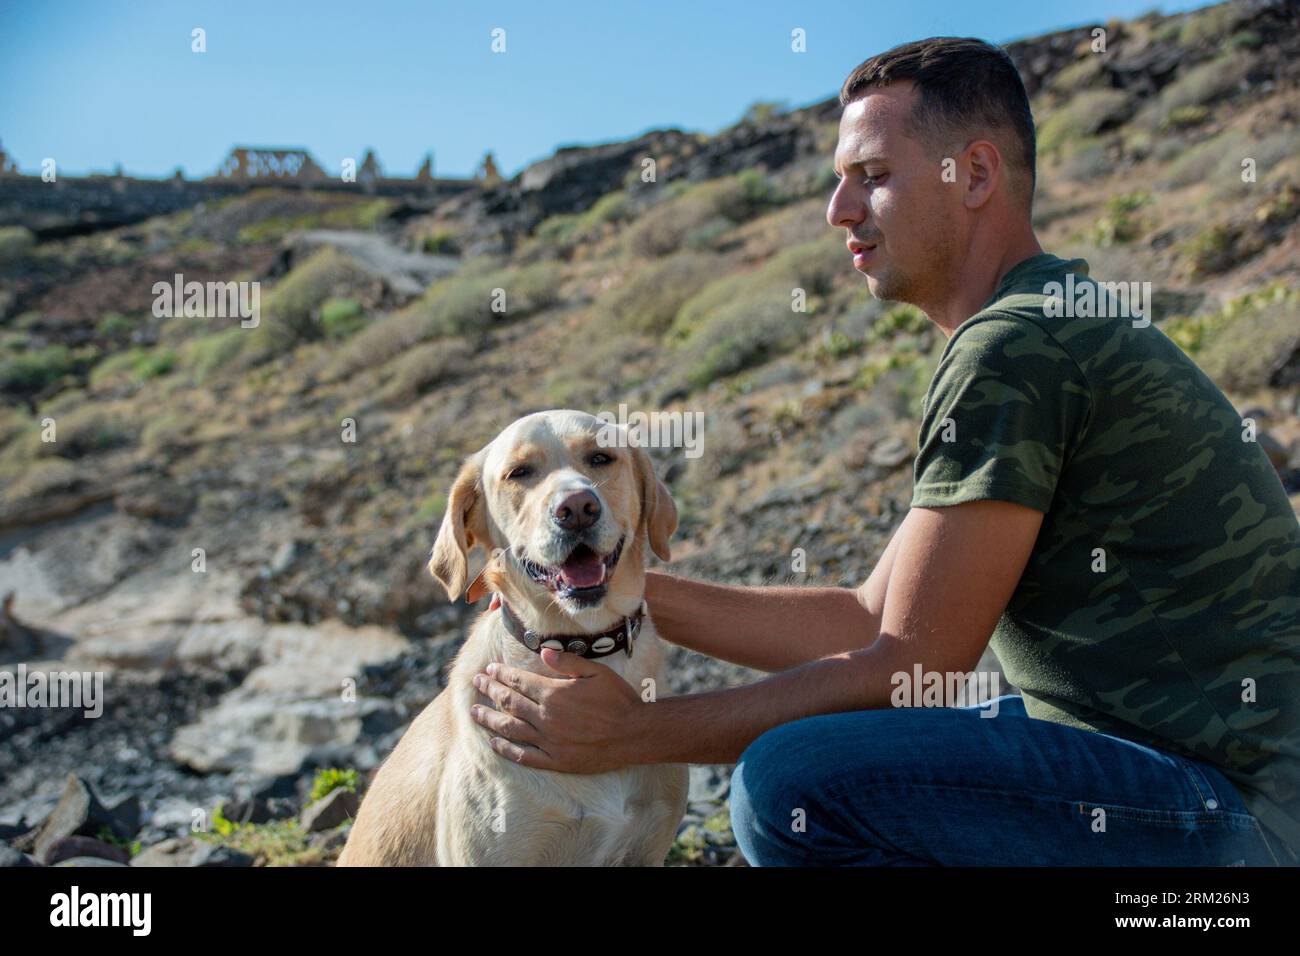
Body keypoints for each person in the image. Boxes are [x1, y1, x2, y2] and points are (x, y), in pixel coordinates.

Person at [468, 37, 1300, 866]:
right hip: (1197, 768)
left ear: (974, 176)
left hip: (1241, 810)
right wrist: (614, 583)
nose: (838, 209)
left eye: (872, 176)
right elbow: (869, 619)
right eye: (840, 179)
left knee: (796, 785)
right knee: (851, 752)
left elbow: (911, 666)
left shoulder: (1013, 350)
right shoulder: (1047, 318)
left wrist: (638, 733)